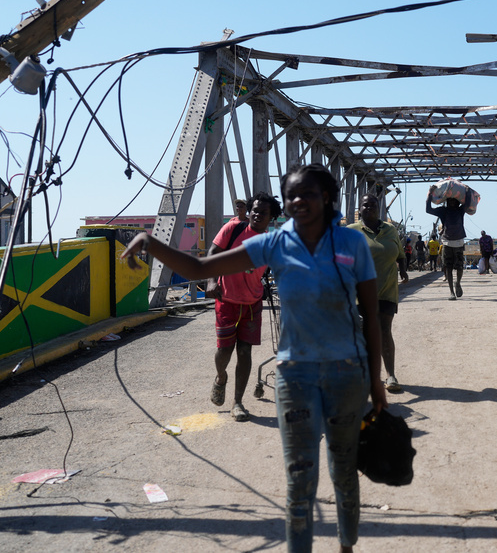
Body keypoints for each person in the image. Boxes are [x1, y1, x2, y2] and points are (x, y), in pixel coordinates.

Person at [121, 164, 387, 553]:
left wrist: (376, 380)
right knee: (299, 484)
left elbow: (371, 316)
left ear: (327, 197)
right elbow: (200, 268)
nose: (298, 201)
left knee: (344, 472)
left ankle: (346, 547)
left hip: (347, 375)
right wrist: (150, 240)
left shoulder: (352, 245)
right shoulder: (275, 244)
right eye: (292, 194)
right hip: (295, 380)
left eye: (308, 193)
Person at [203, 191, 281, 421]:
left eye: (262, 212)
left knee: (245, 351)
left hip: (252, 303)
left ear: (271, 217)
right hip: (226, 299)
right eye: (254, 210)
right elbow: (213, 253)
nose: (257, 214)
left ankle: (238, 402)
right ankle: (221, 377)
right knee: (224, 351)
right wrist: (210, 280)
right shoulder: (234, 229)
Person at [349, 194, 409, 393]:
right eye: (365, 205)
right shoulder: (351, 231)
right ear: (360, 208)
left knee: (385, 330)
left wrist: (403, 270)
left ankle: (390, 375)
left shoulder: (390, 229)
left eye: (373, 205)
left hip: (387, 289)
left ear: (379, 208)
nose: (369, 208)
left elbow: (400, 255)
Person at [426, 185, 472, 300]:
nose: (452, 201)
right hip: (447, 242)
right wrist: (429, 194)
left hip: (459, 241)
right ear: (446, 201)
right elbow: (428, 210)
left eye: (454, 199)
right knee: (449, 268)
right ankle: (451, 292)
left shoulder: (460, 210)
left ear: (457, 201)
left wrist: (467, 190)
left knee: (460, 267)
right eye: (449, 199)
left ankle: (458, 283)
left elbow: (468, 202)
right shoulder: (443, 211)